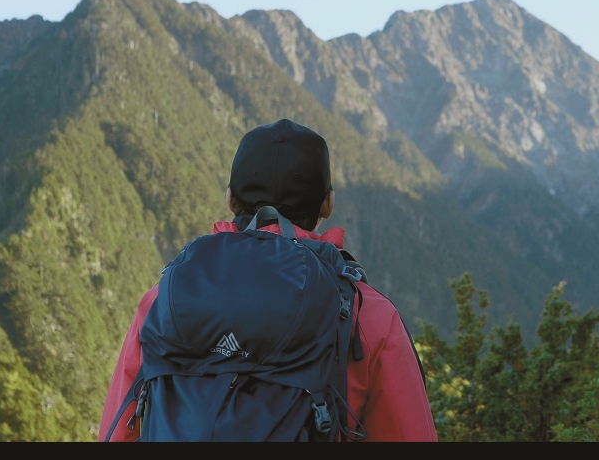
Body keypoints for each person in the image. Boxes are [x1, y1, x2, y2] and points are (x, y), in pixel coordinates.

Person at [98, 118, 438, 442]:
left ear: (230, 198)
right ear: (327, 205)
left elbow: (118, 431)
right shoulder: (370, 316)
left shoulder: (165, 299)